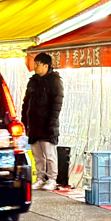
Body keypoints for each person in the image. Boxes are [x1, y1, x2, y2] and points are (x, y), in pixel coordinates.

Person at [22, 52, 65, 192]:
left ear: (46, 66)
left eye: (38, 64)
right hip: (33, 123)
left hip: (48, 124)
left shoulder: (54, 81)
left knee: (49, 153)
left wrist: (51, 122)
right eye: (35, 63)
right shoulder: (33, 81)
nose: (35, 67)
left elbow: (56, 104)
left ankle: (52, 179)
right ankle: (40, 177)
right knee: (37, 153)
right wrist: (24, 120)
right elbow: (26, 102)